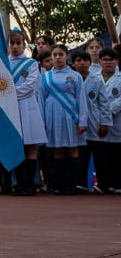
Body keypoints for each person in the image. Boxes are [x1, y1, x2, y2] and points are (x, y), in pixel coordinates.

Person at [39, 44, 88, 194]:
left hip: (70, 115)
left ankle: (73, 184)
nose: (58, 57)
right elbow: (41, 99)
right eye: (55, 55)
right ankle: (59, 184)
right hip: (52, 115)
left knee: (72, 149)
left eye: (61, 54)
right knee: (57, 150)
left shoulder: (75, 76)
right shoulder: (45, 77)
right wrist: (42, 122)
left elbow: (81, 99)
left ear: (67, 56)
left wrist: (82, 120)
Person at [8, 31, 47, 195]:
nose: (15, 47)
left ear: (25, 45)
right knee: (16, 146)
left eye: (18, 43)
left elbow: (31, 86)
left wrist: (9, 95)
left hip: (27, 106)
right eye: (12, 43)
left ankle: (30, 184)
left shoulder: (31, 63)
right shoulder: (3, 63)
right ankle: (19, 184)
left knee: (29, 146)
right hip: (10, 109)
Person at [85, 48, 120, 193]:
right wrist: (101, 116)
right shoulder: (93, 77)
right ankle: (103, 184)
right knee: (102, 156)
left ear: (117, 61)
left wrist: (107, 110)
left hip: (117, 122)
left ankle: (117, 184)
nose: (108, 62)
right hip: (98, 123)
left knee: (117, 155)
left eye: (111, 59)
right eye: (105, 59)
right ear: (99, 62)